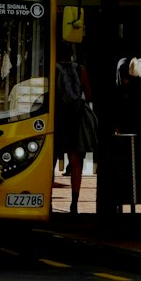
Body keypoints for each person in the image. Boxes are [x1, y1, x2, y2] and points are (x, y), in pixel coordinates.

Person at [54, 47, 93, 216]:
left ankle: (46, 200)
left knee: (50, 161)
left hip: (56, 119)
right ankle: (74, 203)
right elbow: (89, 95)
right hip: (76, 120)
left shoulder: (51, 68)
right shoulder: (80, 69)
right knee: (76, 163)